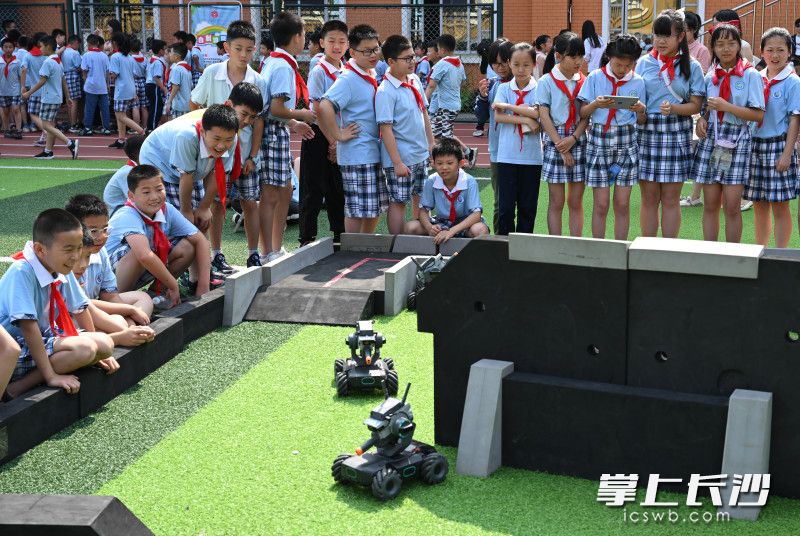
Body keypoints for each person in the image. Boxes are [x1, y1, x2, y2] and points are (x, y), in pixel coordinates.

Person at [2, 209, 116, 399]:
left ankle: (38, 374)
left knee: (104, 343)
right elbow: (28, 328)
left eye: (79, 247)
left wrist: (101, 355)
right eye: (68, 249)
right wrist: (51, 376)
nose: (75, 256)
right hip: (13, 349)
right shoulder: (22, 271)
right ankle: (17, 388)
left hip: (42, 339)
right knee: (84, 350)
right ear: (40, 249)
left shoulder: (60, 266)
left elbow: (80, 308)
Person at [691, 23, 764, 243]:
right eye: (720, 44)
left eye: (731, 43)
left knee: (732, 206)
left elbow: (758, 115)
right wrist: (702, 121)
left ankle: (733, 255)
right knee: (711, 203)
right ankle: (710, 253)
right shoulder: (711, 76)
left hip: (738, 139)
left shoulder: (751, 75)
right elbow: (706, 109)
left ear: (739, 44)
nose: (725, 49)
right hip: (712, 139)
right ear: (712, 47)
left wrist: (727, 107)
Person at [635, 9, 704, 238]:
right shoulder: (644, 63)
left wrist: (674, 108)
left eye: (667, 35)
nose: (661, 41)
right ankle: (647, 249)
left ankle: (668, 250)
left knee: (671, 199)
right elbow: (637, 99)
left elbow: (696, 105)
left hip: (677, 130)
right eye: (657, 35)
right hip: (647, 130)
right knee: (649, 198)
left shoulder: (692, 66)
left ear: (681, 37)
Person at [318, 24, 387, 235]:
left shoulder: (369, 73)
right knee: (357, 210)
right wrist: (338, 135)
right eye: (367, 51)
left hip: (371, 152)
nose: (373, 54)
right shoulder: (348, 79)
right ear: (353, 52)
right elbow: (324, 105)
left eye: (376, 49)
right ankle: (353, 251)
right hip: (358, 154)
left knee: (373, 208)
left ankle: (363, 247)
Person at [105, 164, 211, 301]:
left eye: (159, 189)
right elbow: (144, 256)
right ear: (131, 196)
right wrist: (174, 285)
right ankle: (116, 300)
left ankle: (158, 293)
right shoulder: (127, 214)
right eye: (146, 192)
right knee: (137, 252)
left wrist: (203, 286)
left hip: (140, 268)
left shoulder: (167, 209)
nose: (154, 197)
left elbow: (200, 240)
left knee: (188, 246)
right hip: (108, 279)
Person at [257, 11, 315, 262]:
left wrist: (293, 122)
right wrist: (302, 115)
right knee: (273, 193)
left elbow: (274, 109)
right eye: (304, 35)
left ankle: (273, 248)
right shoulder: (282, 65)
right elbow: (276, 108)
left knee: (284, 189)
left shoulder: (275, 61)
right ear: (297, 37)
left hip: (275, 131)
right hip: (272, 135)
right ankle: (269, 250)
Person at [138, 105, 238, 249]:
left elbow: (218, 173)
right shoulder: (187, 136)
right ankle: (172, 260)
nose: (222, 145)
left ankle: (203, 265)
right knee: (177, 220)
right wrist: (185, 211)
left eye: (228, 140)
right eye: (216, 139)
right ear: (203, 132)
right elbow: (186, 176)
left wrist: (204, 207)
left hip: (191, 169)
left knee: (201, 220)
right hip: (160, 162)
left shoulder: (232, 139)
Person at [578, 34, 647, 240]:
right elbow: (583, 113)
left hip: (627, 143)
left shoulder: (638, 81)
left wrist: (641, 110)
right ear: (609, 57)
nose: (622, 70)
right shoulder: (595, 77)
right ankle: (599, 249)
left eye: (628, 65)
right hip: (599, 140)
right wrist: (595, 104)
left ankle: (619, 248)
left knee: (623, 204)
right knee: (601, 204)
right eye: (618, 64)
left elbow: (641, 120)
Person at [65, 195, 156, 344]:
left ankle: (128, 332)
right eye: (93, 231)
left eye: (105, 229)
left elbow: (111, 296)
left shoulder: (100, 252)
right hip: (71, 315)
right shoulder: (64, 258)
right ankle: (122, 335)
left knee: (142, 298)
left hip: (92, 307)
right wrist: (128, 314)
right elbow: (82, 305)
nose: (101, 236)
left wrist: (129, 322)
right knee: (115, 321)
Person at [745, 27, 800, 247]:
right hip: (755, 145)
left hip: (779, 146)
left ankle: (780, 254)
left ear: (789, 52)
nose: (775, 55)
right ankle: (762, 249)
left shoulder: (793, 82)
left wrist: (787, 154)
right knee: (759, 202)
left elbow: (795, 119)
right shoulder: (756, 78)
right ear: (762, 52)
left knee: (780, 204)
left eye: (780, 50)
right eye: (770, 50)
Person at [376, 34, 434, 235]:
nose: (413, 61)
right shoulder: (385, 91)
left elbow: (423, 112)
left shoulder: (414, 80)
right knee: (399, 202)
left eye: (413, 56)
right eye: (407, 58)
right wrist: (397, 162)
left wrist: (431, 143)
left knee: (422, 199)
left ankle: (417, 238)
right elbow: (386, 129)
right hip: (401, 159)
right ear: (391, 61)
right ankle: (398, 245)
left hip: (420, 154)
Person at [299, 19, 348, 246]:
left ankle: (340, 235)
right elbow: (317, 109)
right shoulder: (319, 70)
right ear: (321, 43)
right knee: (314, 188)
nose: (336, 47)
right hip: (319, 135)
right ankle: (306, 238)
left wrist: (338, 140)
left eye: (341, 42)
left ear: (347, 45)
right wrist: (332, 141)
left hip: (338, 137)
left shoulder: (345, 69)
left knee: (337, 188)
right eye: (331, 42)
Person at [207, 82, 264, 270]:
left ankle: (253, 253)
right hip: (221, 164)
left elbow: (257, 129)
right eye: (244, 114)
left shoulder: (251, 124)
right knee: (217, 204)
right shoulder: (222, 121)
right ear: (230, 105)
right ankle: (215, 253)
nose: (247, 120)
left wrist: (253, 157)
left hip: (246, 163)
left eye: (252, 116)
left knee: (250, 203)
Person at [537, 31, 589, 237]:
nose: (578, 61)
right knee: (556, 201)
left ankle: (575, 242)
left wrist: (574, 138)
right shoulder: (546, 81)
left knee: (575, 201)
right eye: (573, 56)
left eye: (581, 56)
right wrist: (561, 145)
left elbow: (586, 114)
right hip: (554, 138)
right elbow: (544, 115)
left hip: (578, 137)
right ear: (558, 56)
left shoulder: (584, 80)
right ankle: (555, 245)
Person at [492, 42, 542, 235]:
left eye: (526, 65)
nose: (521, 70)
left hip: (532, 158)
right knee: (505, 209)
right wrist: (525, 119)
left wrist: (510, 107)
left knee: (527, 208)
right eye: (516, 64)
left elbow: (537, 114)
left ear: (534, 65)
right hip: (507, 157)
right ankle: (503, 250)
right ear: (509, 64)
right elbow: (498, 116)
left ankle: (523, 248)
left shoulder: (539, 89)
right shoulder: (504, 88)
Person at [404, 138, 489, 242]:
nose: (444, 167)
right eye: (439, 163)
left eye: (449, 163)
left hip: (465, 222)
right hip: (442, 222)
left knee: (480, 230)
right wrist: (429, 227)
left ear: (461, 164)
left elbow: (476, 214)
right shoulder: (432, 180)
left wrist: (451, 231)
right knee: (410, 227)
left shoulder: (469, 181)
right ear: (434, 164)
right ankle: (426, 253)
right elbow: (423, 210)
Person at [22, 35, 79, 160]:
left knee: (47, 125)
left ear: (48, 46)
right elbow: (63, 80)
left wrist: (28, 93)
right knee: (50, 124)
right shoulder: (57, 60)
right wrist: (68, 96)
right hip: (56, 97)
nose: (40, 49)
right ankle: (48, 151)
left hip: (49, 97)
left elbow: (42, 81)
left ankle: (70, 143)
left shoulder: (47, 62)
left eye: (41, 46)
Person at [477, 38, 513, 233]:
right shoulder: (491, 85)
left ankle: (519, 241)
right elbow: (480, 117)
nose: (500, 67)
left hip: (522, 152)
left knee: (522, 202)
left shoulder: (525, 84)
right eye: (495, 63)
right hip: (498, 150)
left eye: (504, 62)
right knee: (501, 201)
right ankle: (500, 241)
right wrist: (482, 97)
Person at [425, 34, 477, 166]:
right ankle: (468, 152)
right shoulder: (459, 63)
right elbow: (462, 83)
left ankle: (460, 158)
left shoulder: (442, 64)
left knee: (446, 136)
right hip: (452, 104)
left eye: (436, 49)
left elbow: (431, 85)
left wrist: (423, 102)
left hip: (446, 106)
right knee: (435, 133)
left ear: (441, 50)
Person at [679, 10, 713, 208]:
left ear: (693, 31)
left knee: (698, 149)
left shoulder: (700, 51)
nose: (682, 34)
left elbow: (704, 78)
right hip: (683, 107)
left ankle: (695, 194)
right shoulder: (677, 50)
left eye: (685, 30)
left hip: (696, 107)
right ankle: (694, 194)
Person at [108, 32, 145, 148]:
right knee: (121, 114)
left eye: (111, 42)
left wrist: (109, 73)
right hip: (130, 87)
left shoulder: (115, 56)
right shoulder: (129, 57)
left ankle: (142, 132)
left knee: (120, 116)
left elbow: (114, 75)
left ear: (115, 43)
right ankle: (121, 139)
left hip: (121, 89)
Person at [104, 134, 145, 215]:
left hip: (123, 207)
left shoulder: (134, 169)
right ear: (138, 154)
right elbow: (136, 201)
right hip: (116, 211)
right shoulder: (128, 172)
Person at [80, 33, 111, 136]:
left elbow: (84, 71)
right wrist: (107, 84)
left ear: (88, 43)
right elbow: (107, 72)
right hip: (102, 85)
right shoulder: (104, 56)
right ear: (98, 43)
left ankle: (88, 128)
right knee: (104, 108)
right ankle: (106, 128)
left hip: (91, 85)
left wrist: (85, 81)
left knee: (89, 107)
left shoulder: (86, 55)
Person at [20, 32, 47, 145]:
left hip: (35, 90)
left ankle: (46, 132)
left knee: (33, 114)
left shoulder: (28, 55)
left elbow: (23, 70)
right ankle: (45, 136)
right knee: (46, 116)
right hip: (47, 90)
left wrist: (22, 86)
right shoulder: (46, 54)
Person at [0, 38, 23, 139]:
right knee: (5, 111)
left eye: (10, 47)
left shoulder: (17, 62)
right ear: (2, 48)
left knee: (16, 109)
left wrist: (22, 87)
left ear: (14, 48)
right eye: (6, 47)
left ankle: (18, 130)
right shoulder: (0, 61)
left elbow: (21, 75)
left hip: (15, 89)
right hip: (2, 90)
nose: (8, 49)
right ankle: (7, 129)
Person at [145, 39, 168, 132]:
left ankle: (151, 126)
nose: (165, 51)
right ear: (160, 50)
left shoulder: (152, 59)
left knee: (157, 105)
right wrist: (163, 88)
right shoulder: (158, 62)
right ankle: (151, 128)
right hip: (153, 86)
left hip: (149, 85)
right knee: (155, 107)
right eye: (164, 49)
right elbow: (156, 77)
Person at [165, 42, 192, 119]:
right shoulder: (186, 68)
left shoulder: (177, 69)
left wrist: (169, 102)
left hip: (179, 105)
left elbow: (175, 87)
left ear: (177, 57)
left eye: (171, 53)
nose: (169, 55)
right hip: (186, 104)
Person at [62, 34, 83, 133]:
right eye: (78, 44)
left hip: (65, 76)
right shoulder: (75, 53)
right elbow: (79, 67)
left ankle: (71, 122)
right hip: (73, 75)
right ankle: (74, 124)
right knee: (74, 101)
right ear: (75, 43)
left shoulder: (63, 51)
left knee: (68, 100)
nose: (78, 46)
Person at [129, 37, 148, 131]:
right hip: (143, 81)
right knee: (144, 106)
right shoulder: (144, 59)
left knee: (135, 106)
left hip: (134, 82)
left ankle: (136, 128)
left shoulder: (129, 59)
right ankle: (144, 127)